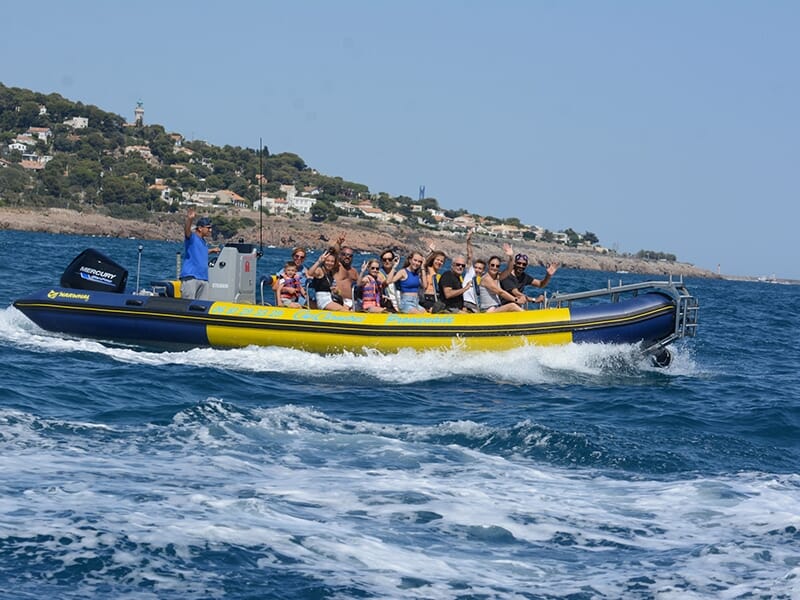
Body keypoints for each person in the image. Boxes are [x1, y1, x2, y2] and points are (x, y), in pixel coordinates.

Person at [180, 208, 220, 300]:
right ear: (200, 228)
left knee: (202, 306)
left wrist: (211, 250)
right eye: (208, 227)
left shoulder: (203, 242)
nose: (210, 230)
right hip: (191, 277)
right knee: (188, 305)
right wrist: (190, 219)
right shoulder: (192, 238)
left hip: (204, 278)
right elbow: (187, 231)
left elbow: (200, 252)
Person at [333, 235, 359, 309]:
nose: (347, 257)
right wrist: (338, 243)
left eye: (350, 256)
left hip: (354, 302)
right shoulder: (337, 267)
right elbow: (334, 255)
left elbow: (360, 285)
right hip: (340, 301)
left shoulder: (354, 271)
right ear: (340, 256)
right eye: (344, 254)